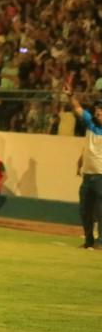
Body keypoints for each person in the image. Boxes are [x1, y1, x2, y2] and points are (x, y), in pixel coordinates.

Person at [68, 90, 102, 249]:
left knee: (101, 212)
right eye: (97, 110)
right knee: (85, 211)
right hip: (87, 176)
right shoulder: (90, 124)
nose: (98, 112)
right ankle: (89, 241)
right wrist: (70, 96)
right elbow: (77, 108)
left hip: (101, 176)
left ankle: (101, 242)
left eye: (101, 110)